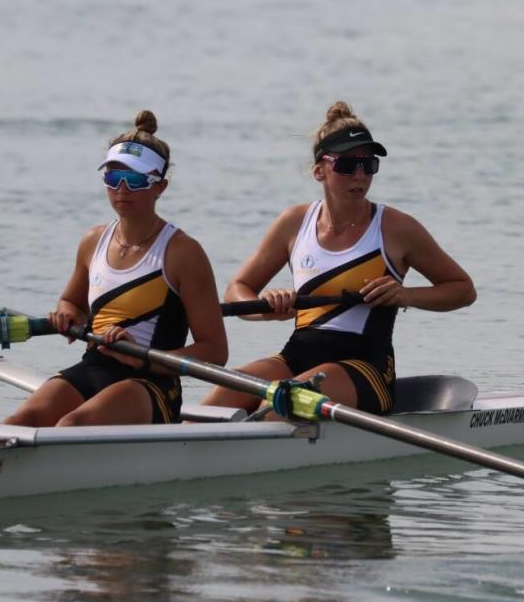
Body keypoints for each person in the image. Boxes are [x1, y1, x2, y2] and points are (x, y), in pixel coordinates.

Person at [201, 101, 475, 416]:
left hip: (367, 370)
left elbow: (462, 289)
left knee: (276, 405)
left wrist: (406, 295)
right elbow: (238, 288)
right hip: (294, 358)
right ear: (320, 170)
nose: (359, 175)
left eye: (368, 165)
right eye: (347, 165)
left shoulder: (396, 228)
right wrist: (266, 308)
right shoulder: (293, 223)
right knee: (219, 399)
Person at [4, 110, 228, 428]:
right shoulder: (92, 241)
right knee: (20, 420)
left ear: (160, 187)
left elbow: (216, 351)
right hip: (94, 367)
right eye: (113, 177)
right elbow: (71, 301)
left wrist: (144, 358)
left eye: (135, 180)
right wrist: (67, 314)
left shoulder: (183, 253)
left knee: (72, 426)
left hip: (151, 384)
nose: (122, 189)